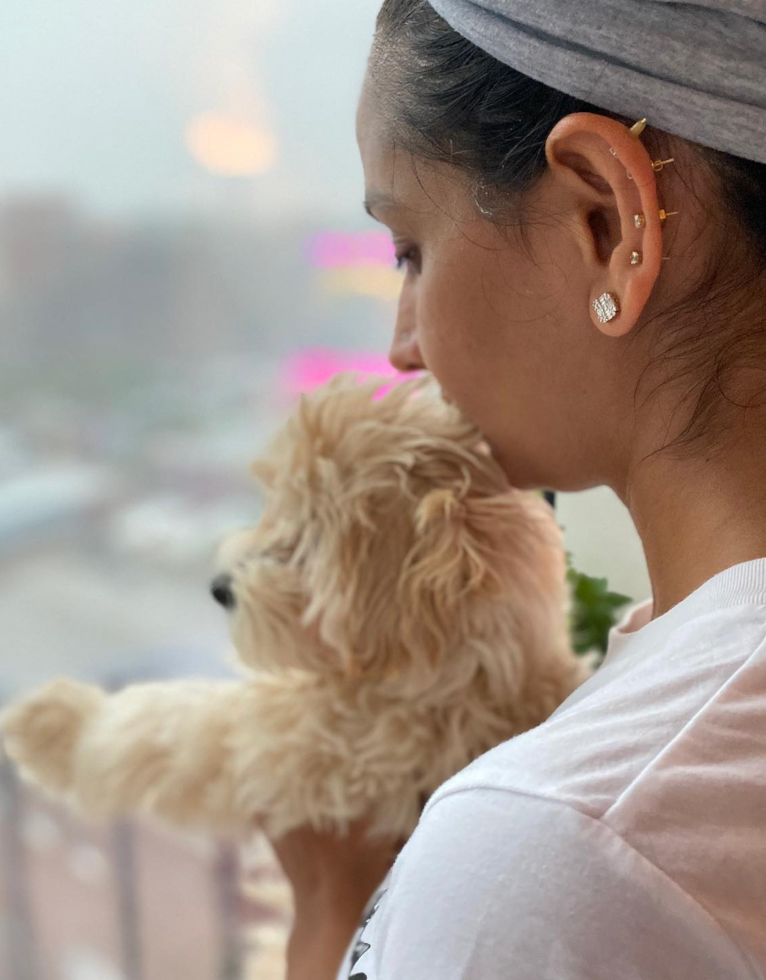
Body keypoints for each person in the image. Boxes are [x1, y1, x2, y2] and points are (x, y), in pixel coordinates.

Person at [264, 0, 766, 977]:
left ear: (608, 218)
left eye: (409, 248)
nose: (400, 344)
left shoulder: (562, 846)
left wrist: (336, 907)